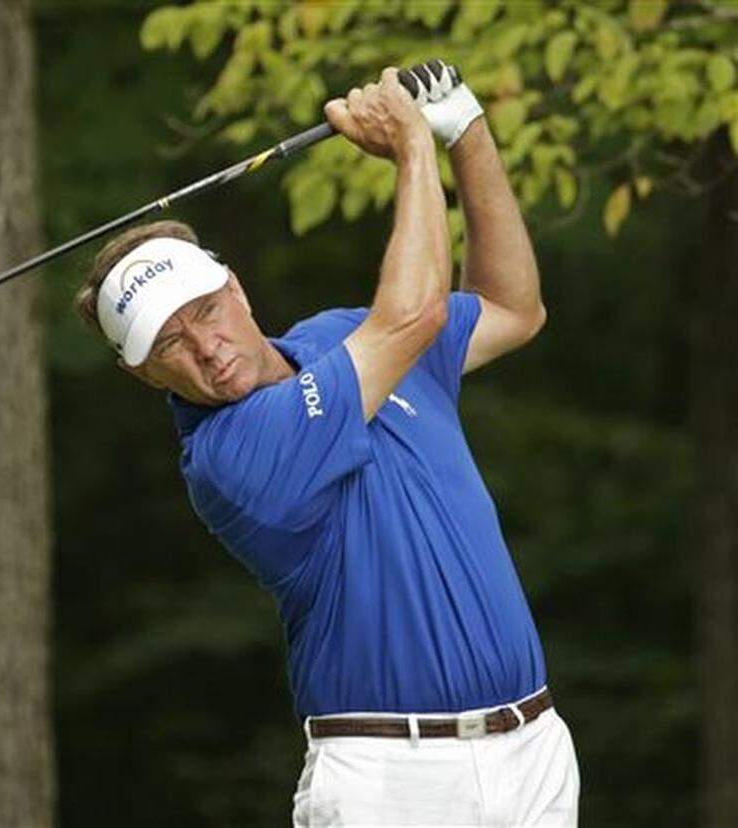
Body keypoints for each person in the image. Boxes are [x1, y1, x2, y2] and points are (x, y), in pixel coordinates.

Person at [73, 60, 579, 826]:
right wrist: (413, 151)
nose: (206, 348)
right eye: (169, 344)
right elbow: (411, 320)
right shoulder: (230, 457)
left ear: (236, 289)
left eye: (207, 312)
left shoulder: (343, 337)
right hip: (390, 779)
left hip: (532, 747)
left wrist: (465, 132)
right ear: (141, 374)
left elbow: (514, 307)